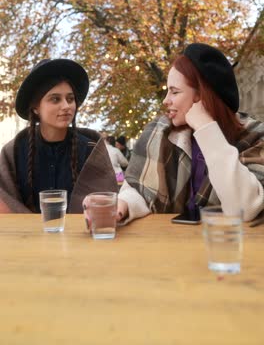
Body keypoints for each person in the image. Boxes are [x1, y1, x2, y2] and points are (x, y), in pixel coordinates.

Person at [117, 43, 264, 224]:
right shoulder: (159, 131)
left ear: (202, 96)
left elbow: (244, 208)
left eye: (174, 92)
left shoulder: (254, 136)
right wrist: (124, 204)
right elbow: (139, 190)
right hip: (171, 243)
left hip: (228, 244)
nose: (165, 101)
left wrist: (206, 127)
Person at [0, 58, 117, 214]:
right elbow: (6, 199)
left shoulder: (90, 150)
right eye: (55, 99)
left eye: (70, 99)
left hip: (81, 235)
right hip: (27, 236)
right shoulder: (14, 151)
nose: (66, 106)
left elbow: (105, 201)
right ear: (36, 108)